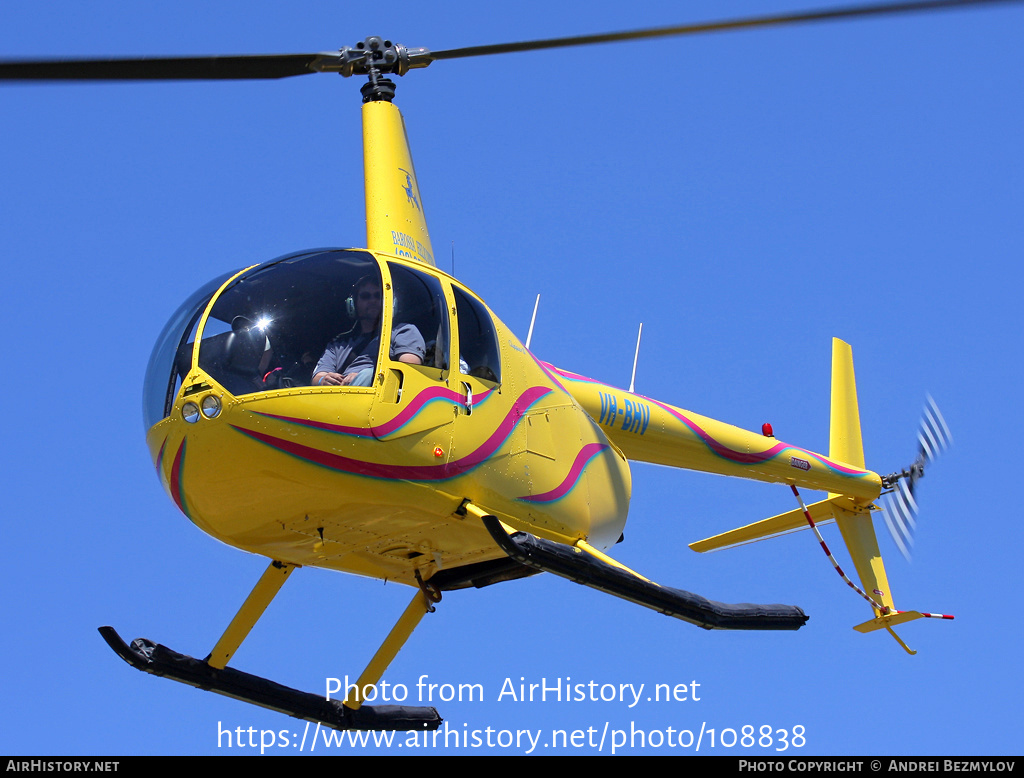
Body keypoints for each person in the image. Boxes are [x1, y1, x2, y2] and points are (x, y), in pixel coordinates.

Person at [312, 276, 424, 387]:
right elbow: (317, 376)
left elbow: (408, 371)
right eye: (365, 296)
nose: (372, 300)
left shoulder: (403, 331)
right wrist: (323, 379)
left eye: (378, 296)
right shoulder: (339, 343)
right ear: (353, 304)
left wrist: (366, 376)